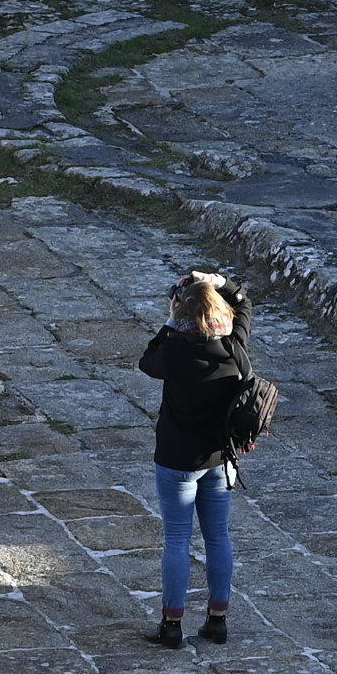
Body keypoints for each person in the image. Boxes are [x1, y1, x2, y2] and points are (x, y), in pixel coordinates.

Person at [136, 269, 263, 648]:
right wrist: (218, 280)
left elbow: (147, 360)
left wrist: (171, 319)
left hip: (177, 460)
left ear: (184, 314)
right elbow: (244, 303)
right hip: (221, 458)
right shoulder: (234, 348)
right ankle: (218, 620)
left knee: (177, 538)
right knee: (218, 536)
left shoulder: (175, 350)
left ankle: (172, 625)